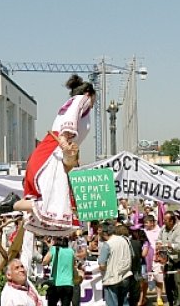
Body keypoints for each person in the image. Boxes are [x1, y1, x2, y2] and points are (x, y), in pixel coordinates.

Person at [14, 75, 96, 235]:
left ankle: (16, 204)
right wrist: (65, 138)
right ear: (88, 94)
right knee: (56, 201)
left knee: (56, 199)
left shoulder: (71, 102)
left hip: (52, 150)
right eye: (94, 99)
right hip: (54, 151)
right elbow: (71, 116)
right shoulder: (82, 100)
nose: (93, 104)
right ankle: (16, 204)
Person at [97, 221, 133, 306]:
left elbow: (102, 264)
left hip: (112, 278)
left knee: (112, 303)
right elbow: (132, 255)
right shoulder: (125, 240)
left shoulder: (107, 244)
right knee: (124, 302)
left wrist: (103, 268)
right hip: (126, 275)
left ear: (104, 232)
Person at [158, 211, 180, 306]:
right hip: (167, 261)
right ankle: (171, 302)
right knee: (168, 283)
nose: (164, 222)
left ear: (172, 221)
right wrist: (159, 244)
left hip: (179, 261)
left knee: (179, 284)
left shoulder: (179, 230)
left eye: (166, 220)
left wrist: (170, 245)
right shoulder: (163, 229)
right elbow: (159, 239)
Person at [42, 237, 74, 306]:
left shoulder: (54, 249)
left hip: (56, 283)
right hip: (68, 283)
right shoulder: (71, 251)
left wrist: (51, 247)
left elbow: (44, 262)